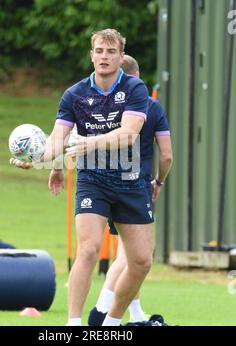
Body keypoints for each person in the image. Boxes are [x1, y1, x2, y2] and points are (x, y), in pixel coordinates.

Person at [11, 28, 152, 326]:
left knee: (140, 262)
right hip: (93, 180)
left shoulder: (135, 89)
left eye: (110, 52)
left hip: (130, 180)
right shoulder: (74, 95)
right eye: (99, 51)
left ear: (119, 56)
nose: (104, 57)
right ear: (91, 55)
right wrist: (36, 158)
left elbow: (129, 134)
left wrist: (92, 142)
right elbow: (58, 140)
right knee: (87, 249)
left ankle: (111, 322)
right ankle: (73, 324)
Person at [88, 55, 173, 326]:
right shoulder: (150, 106)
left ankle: (123, 312)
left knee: (126, 256)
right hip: (136, 187)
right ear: (136, 76)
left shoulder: (101, 106)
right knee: (137, 257)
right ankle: (104, 314)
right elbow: (167, 155)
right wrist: (158, 182)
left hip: (101, 185)